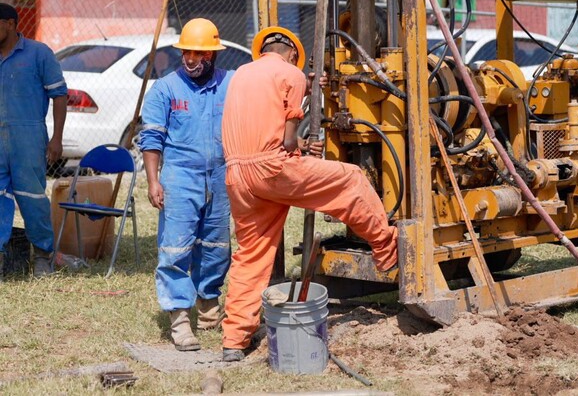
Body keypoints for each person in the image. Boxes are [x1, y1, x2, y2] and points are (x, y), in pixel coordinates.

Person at [220, 26, 398, 362]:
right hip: (271, 169)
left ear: (264, 49)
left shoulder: (242, 73)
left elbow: (270, 134)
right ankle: (387, 249)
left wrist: (297, 145)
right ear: (291, 54)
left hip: (237, 174)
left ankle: (234, 340)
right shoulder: (291, 74)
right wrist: (297, 146)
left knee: (252, 254)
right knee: (352, 179)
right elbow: (287, 142)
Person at [139, 18, 233, 351]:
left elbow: (268, 90)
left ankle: (208, 308)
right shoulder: (165, 89)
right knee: (175, 248)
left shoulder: (231, 84)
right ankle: (179, 319)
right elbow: (151, 138)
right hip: (180, 175)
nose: (191, 59)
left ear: (214, 55)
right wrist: (154, 181)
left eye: (199, 53)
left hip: (221, 176)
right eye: (186, 52)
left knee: (216, 247)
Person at [0, 2, 67, 280]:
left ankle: (42, 255)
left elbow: (59, 95)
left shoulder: (39, 54)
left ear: (12, 24)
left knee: (32, 198)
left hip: (28, 137)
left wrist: (57, 138)